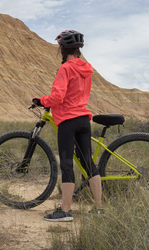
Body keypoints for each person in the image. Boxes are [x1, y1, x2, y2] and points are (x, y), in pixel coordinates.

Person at [32, 30, 103, 222]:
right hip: (83, 120)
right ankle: (99, 209)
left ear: (63, 48)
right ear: (78, 49)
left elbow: (58, 97)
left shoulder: (65, 69)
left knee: (66, 164)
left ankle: (64, 211)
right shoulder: (87, 69)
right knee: (88, 163)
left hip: (67, 121)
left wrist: (41, 100)